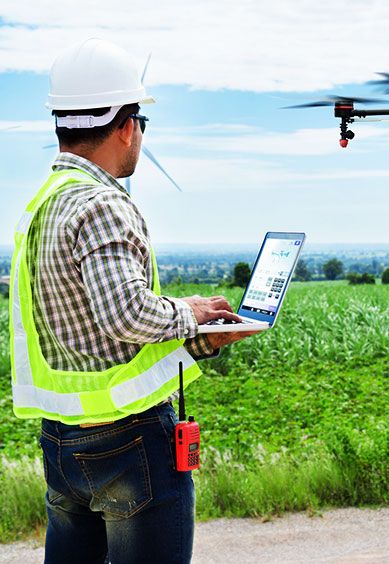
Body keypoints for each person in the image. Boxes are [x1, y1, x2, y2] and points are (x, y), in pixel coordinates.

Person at [8, 38, 259, 563]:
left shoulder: (42, 206)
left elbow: (91, 320)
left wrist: (188, 321)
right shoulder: (101, 203)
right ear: (125, 126)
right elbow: (123, 314)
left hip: (62, 442)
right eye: (141, 122)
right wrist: (191, 316)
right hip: (129, 445)